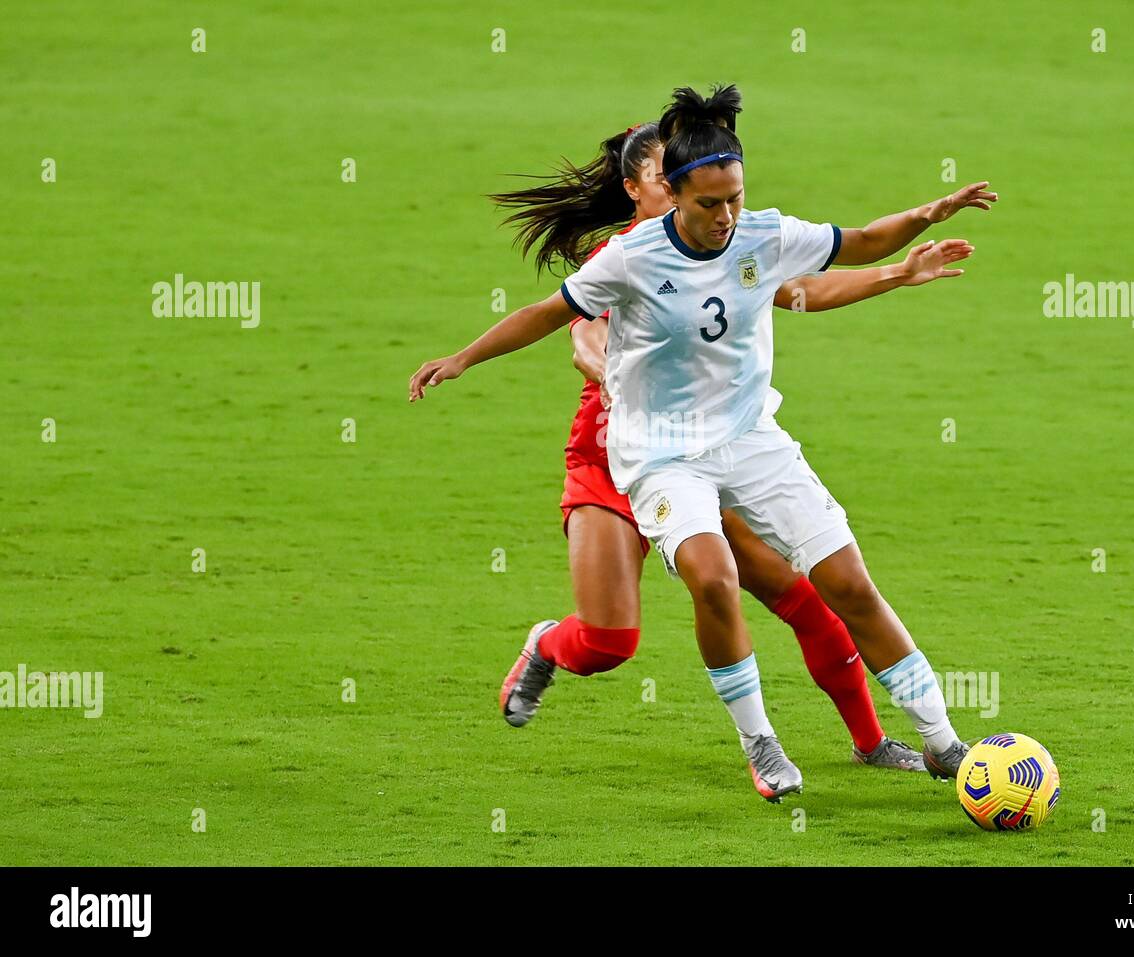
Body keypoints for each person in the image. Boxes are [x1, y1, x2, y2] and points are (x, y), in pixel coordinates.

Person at [412, 84, 995, 800]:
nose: (726, 216)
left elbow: (839, 258)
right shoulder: (628, 260)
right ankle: (762, 743)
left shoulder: (758, 235)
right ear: (668, 193)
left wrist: (918, 228)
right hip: (654, 455)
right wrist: (462, 358)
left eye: (735, 199)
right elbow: (550, 317)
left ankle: (939, 742)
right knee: (693, 590)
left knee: (842, 582)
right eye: (710, 203)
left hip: (750, 440)